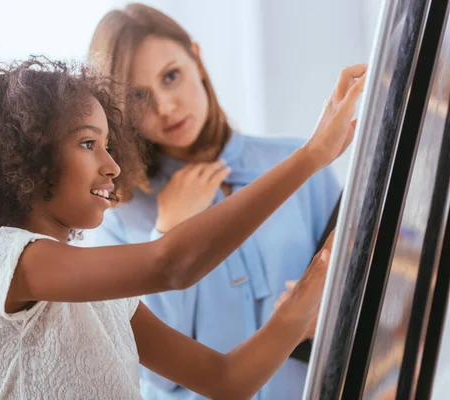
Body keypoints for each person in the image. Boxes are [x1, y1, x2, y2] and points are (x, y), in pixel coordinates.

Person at [0, 56, 364, 399]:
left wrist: (311, 291)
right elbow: (171, 265)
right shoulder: (0, 260)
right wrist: (312, 156)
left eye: (107, 144)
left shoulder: (102, 294)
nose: (112, 166)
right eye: (87, 143)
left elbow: (226, 381)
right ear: (23, 156)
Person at [85, 4, 347, 399]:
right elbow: (160, 376)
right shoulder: (117, 220)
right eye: (139, 97)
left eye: (171, 76)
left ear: (198, 59)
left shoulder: (300, 165)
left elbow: (371, 292)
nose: (165, 107)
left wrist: (331, 312)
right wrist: (168, 233)